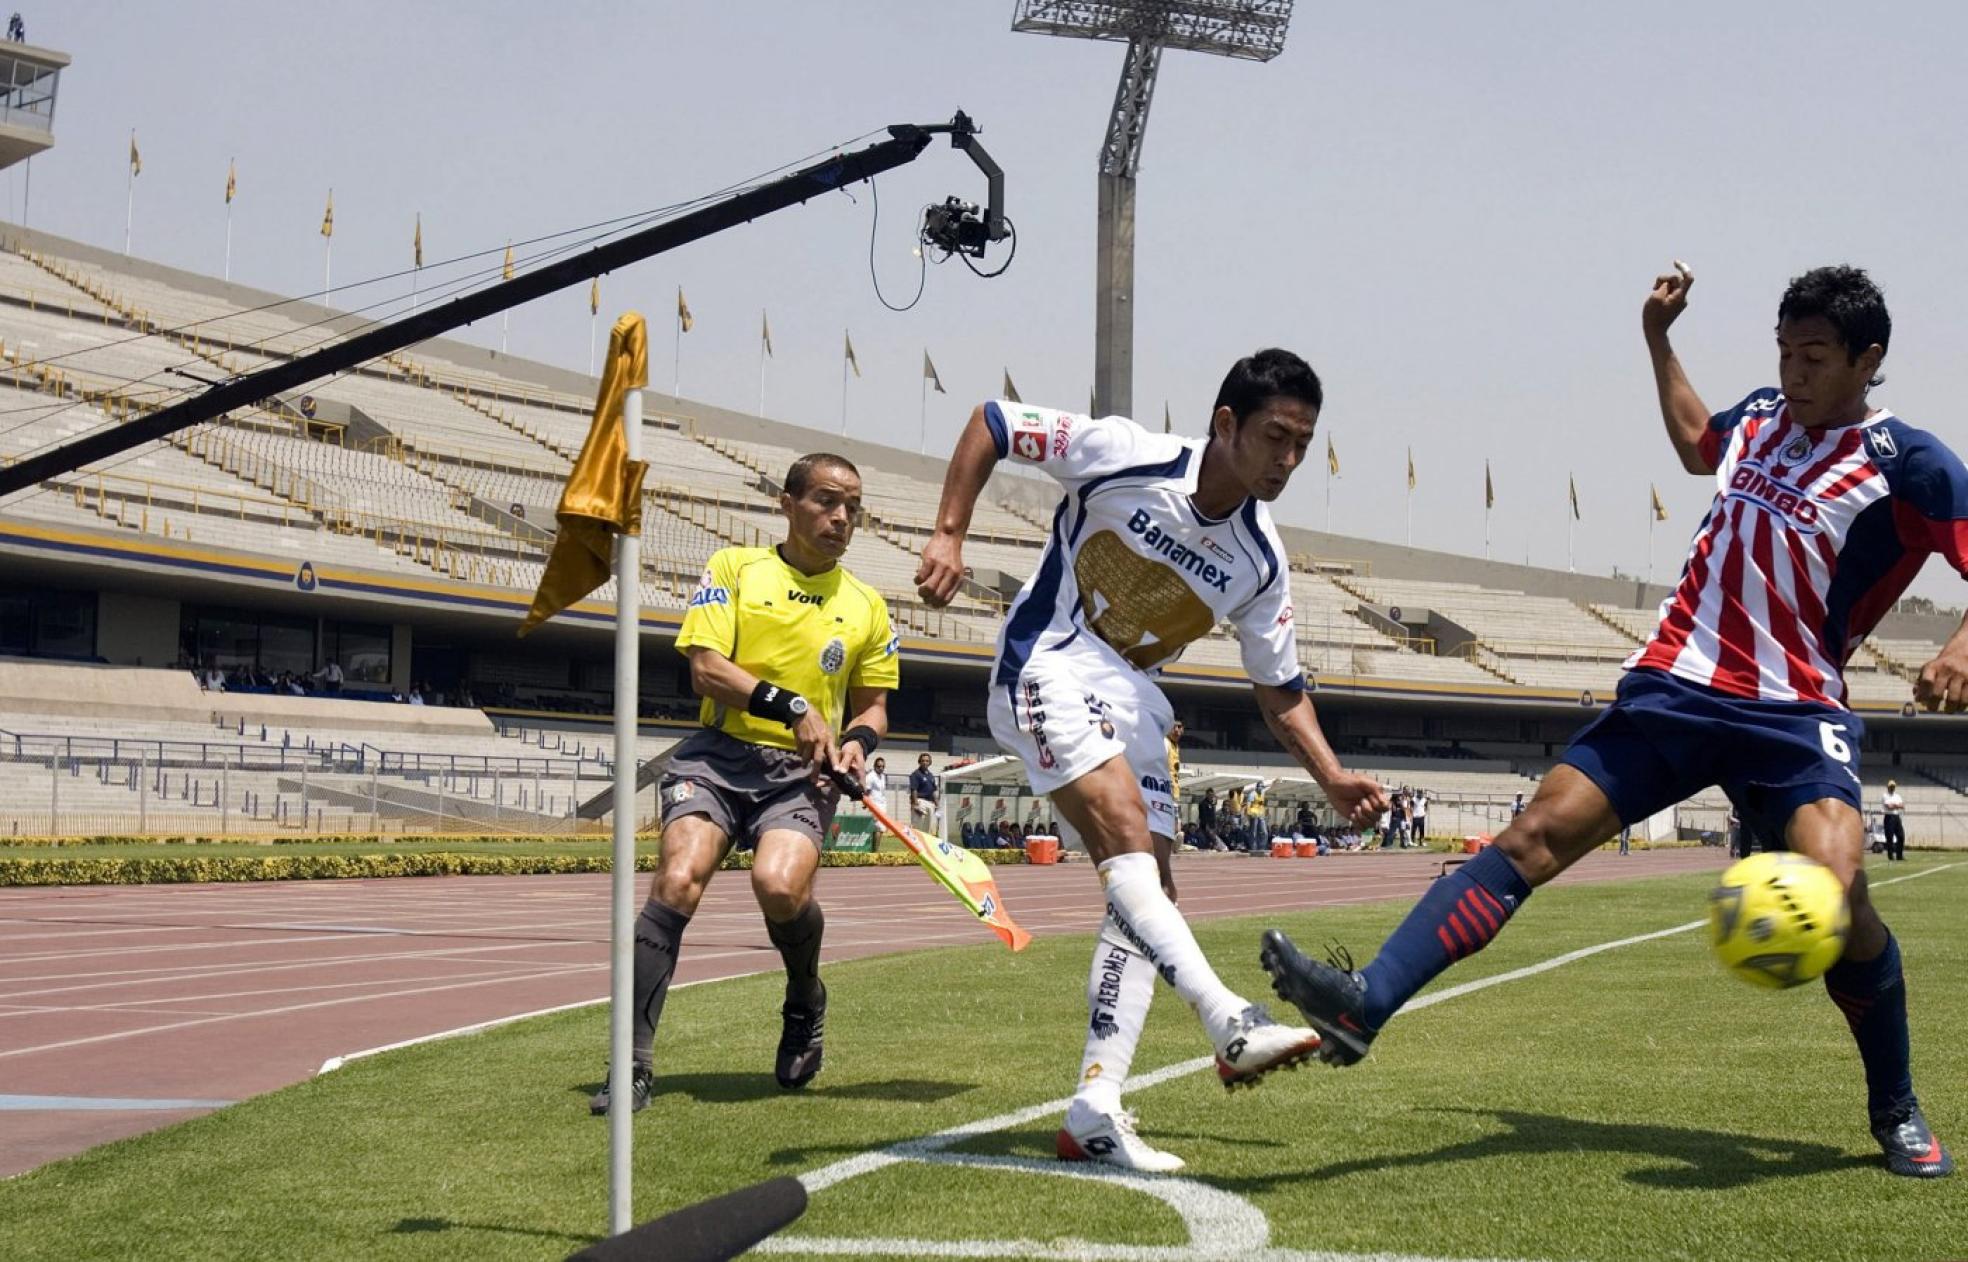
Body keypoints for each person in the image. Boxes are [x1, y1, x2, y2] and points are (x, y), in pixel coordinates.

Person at [1262, 263, 1959, 1178]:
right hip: (1677, 684)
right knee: (1534, 836)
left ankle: (1896, 1107)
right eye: (1785, 352)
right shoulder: (1757, 417)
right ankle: (1364, 1005)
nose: (1793, 373)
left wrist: (1956, 648)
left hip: (1793, 710)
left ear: (1869, 359)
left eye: (1816, 357)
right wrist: (1659, 338)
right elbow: (1692, 442)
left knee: (1837, 892)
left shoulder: (1907, 461)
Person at [916, 348, 1385, 1172]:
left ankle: (1095, 1105)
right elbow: (994, 422)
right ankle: (1228, 1020)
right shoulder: (1126, 454)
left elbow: (1280, 691)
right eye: (1276, 436)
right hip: (1052, 657)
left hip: (1136, 695)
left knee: (1149, 893)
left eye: (1303, 446)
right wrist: (949, 533)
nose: (1288, 460)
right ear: (1226, 424)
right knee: (1127, 841)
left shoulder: (1261, 562)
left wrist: (1332, 775)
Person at [590, 452, 898, 1115]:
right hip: (718, 755)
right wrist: (792, 706)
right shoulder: (735, 568)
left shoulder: (868, 606)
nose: (839, 516)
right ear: (787, 504)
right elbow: (705, 668)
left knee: (780, 886)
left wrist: (857, 743)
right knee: (677, 880)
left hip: (800, 778)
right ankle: (632, 1065)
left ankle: (805, 997)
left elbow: (873, 705)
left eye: (852, 507)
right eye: (824, 500)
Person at [909, 752, 939, 833]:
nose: (925, 762)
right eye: (923, 761)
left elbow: (933, 791)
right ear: (919, 762)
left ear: (930, 762)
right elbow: (913, 789)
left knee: (929, 828)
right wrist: (915, 804)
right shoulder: (916, 774)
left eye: (927, 761)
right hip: (920, 802)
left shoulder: (931, 775)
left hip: (930, 803)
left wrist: (937, 804)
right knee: (918, 828)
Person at [1881, 779, 1906, 861]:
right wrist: (1897, 805)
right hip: (1889, 817)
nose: (1892, 788)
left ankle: (1899, 855)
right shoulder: (1885, 795)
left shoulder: (1897, 796)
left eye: (1893, 786)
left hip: (1896, 817)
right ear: (1888, 787)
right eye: (1891, 786)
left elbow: (1902, 805)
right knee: (1890, 837)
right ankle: (1891, 856)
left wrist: (1895, 805)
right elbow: (1889, 807)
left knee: (1901, 836)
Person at [1244, 779, 1269, 851]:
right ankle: (1253, 847)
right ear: (1257, 787)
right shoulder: (1252, 794)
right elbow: (1248, 805)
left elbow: (1269, 788)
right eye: (1260, 787)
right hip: (1253, 815)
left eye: (1262, 787)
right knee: (1253, 832)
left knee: (1264, 832)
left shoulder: (1263, 792)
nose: (1261, 789)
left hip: (1261, 815)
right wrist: (1249, 814)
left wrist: (1275, 782)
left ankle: (1262, 847)